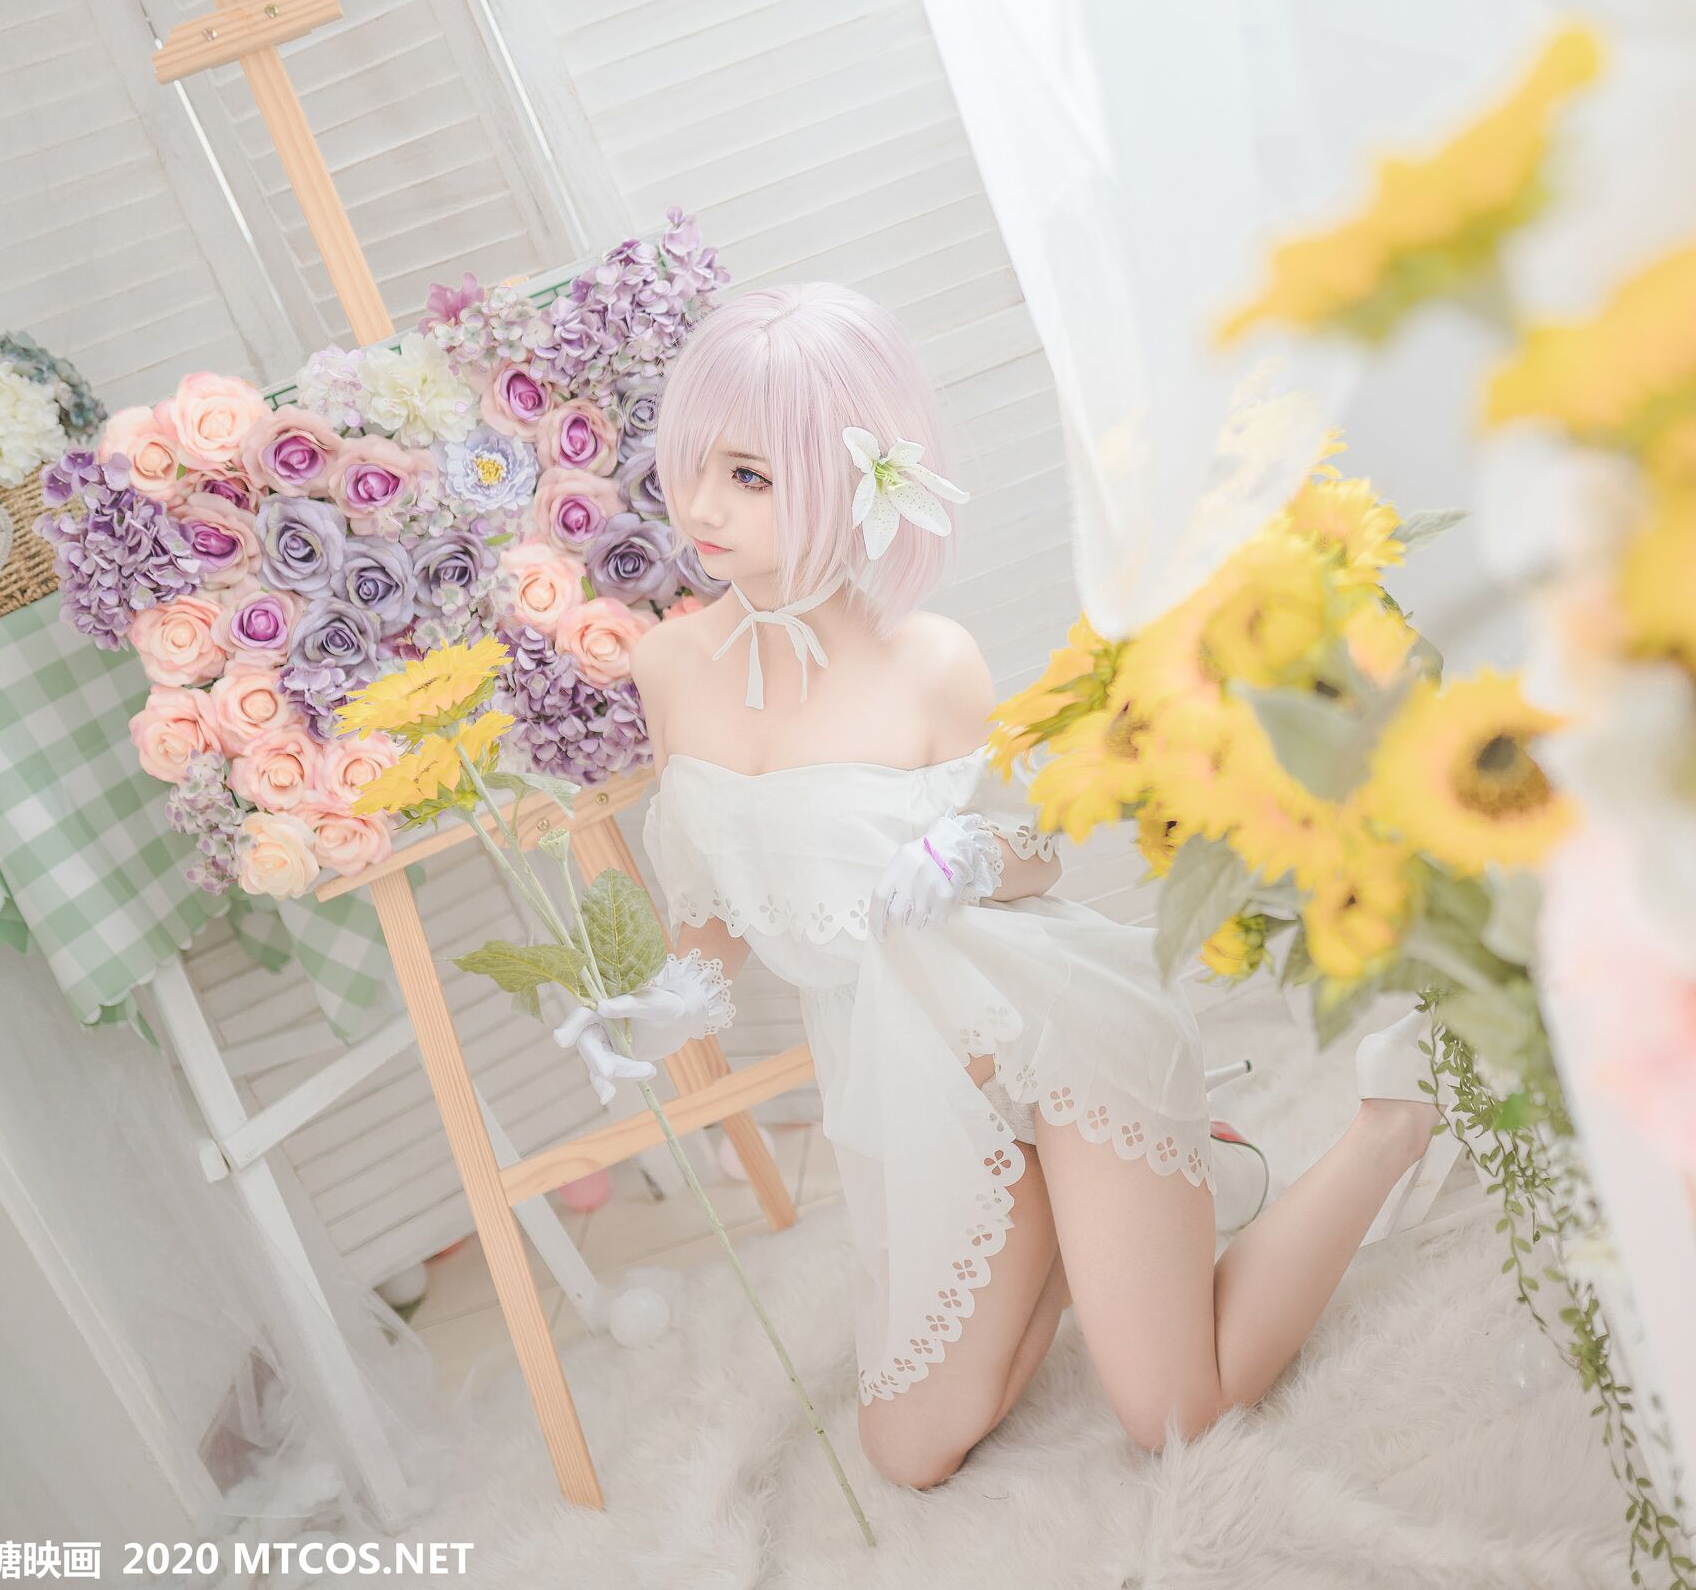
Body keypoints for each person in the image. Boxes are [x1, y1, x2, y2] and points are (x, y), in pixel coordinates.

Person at [585, 281, 1446, 1491]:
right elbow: (715, 903)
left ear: (848, 477)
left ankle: (1388, 1122)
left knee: (1174, 1413)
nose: (701, 506)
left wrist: (971, 857)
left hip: (1049, 1035)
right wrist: (665, 999)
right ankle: (1090, 1210)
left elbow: (1041, 848)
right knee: (907, 1448)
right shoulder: (670, 664)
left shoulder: (929, 658)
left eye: (749, 475)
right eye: (693, 464)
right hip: (911, 1083)